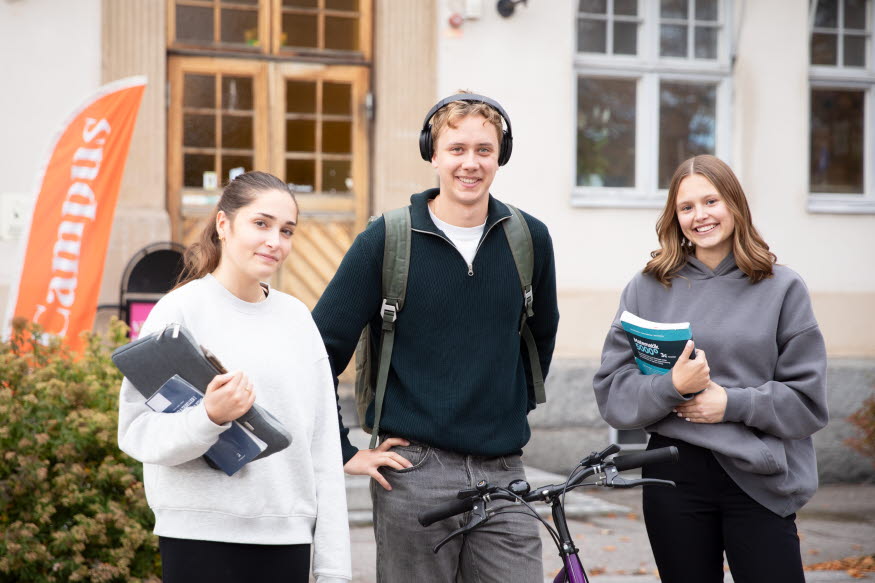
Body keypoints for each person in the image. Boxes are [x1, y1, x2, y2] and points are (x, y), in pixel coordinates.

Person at [312, 92, 560, 581]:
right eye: (457, 149)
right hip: (413, 473)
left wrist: (504, 410)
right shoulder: (386, 240)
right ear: (433, 153)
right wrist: (344, 451)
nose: (471, 163)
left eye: (484, 150)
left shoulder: (530, 239)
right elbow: (317, 350)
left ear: (500, 157)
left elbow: (539, 337)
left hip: (504, 473)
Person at [593, 155, 829, 583]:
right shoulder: (647, 288)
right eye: (686, 207)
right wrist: (671, 387)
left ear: (735, 205)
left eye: (711, 201)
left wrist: (732, 404)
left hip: (759, 474)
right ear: (674, 216)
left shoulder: (782, 288)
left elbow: (808, 404)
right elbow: (613, 393)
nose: (700, 216)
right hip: (673, 476)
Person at [117, 171, 351, 583]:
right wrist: (208, 415)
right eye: (261, 224)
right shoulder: (179, 312)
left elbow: (323, 453)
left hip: (287, 541)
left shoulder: (298, 320)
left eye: (287, 230)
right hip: (197, 539)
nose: (275, 241)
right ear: (223, 225)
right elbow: (137, 432)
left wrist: (335, 571)